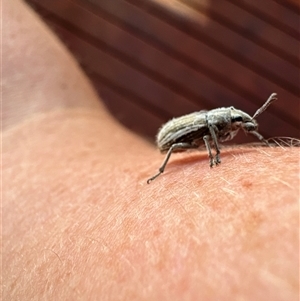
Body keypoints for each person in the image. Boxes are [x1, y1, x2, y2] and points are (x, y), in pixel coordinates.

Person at [3, 1, 299, 300]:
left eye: (240, 121)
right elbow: (208, 137)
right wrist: (215, 157)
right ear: (225, 119)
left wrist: (251, 133)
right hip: (171, 138)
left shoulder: (221, 122)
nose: (241, 124)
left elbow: (236, 128)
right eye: (237, 120)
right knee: (191, 142)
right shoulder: (210, 126)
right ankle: (160, 171)